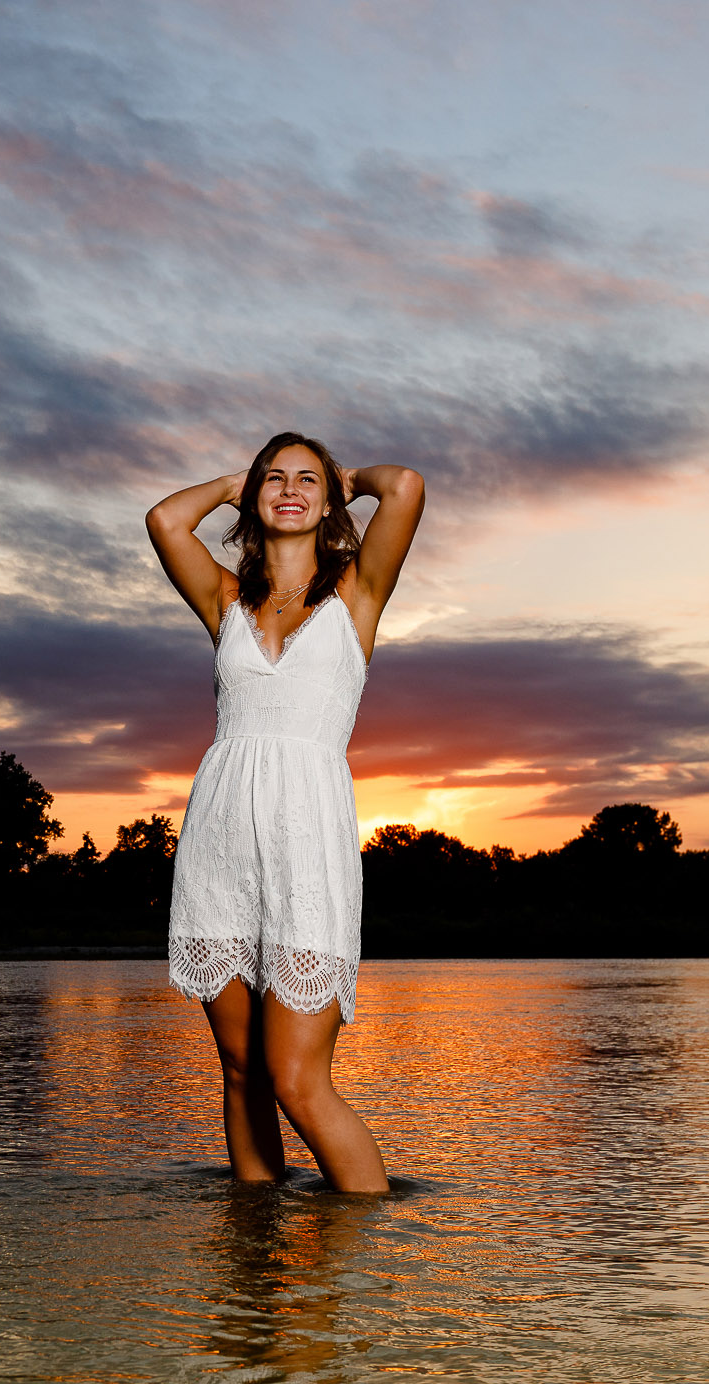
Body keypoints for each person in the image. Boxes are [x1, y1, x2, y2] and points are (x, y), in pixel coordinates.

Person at [145, 432, 425, 1194]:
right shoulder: (225, 600)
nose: (290, 489)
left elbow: (401, 486)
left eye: (308, 480)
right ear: (252, 498)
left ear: (331, 500)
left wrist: (343, 475)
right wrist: (240, 479)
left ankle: (361, 1251)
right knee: (240, 1068)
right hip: (221, 840)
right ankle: (256, 1246)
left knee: (298, 1077)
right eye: (276, 479)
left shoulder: (357, 594)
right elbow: (166, 520)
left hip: (309, 845)